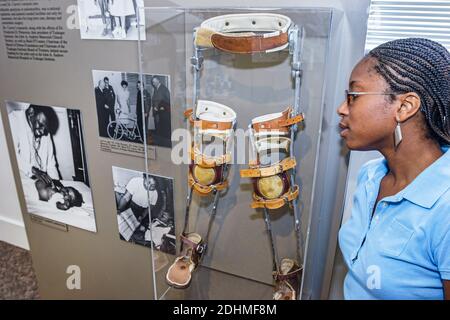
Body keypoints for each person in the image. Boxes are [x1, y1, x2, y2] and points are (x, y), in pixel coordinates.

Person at [337, 38, 450, 300]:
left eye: (353, 96)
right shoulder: (371, 176)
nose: (341, 109)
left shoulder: (444, 207)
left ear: (404, 107)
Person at [8, 104, 59, 180]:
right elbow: (10, 156)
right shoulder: (13, 119)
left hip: (39, 180)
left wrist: (57, 184)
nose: (42, 132)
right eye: (41, 125)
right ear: (31, 112)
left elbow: (51, 165)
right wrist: (33, 170)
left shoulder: (44, 131)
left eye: (45, 129)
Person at [118, 174, 163, 244]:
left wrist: (142, 216)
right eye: (148, 182)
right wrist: (119, 210)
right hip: (130, 207)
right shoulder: (135, 181)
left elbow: (149, 208)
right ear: (144, 177)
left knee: (135, 232)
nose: (149, 186)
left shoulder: (155, 193)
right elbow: (126, 198)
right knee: (121, 227)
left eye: (153, 186)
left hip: (142, 212)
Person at [151, 76, 171, 146]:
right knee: (157, 128)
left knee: (161, 129)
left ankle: (162, 143)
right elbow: (154, 100)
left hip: (162, 114)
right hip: (156, 113)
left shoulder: (164, 89)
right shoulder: (156, 89)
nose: (153, 83)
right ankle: (159, 142)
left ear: (158, 81)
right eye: (153, 82)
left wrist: (160, 108)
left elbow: (168, 101)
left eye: (154, 82)